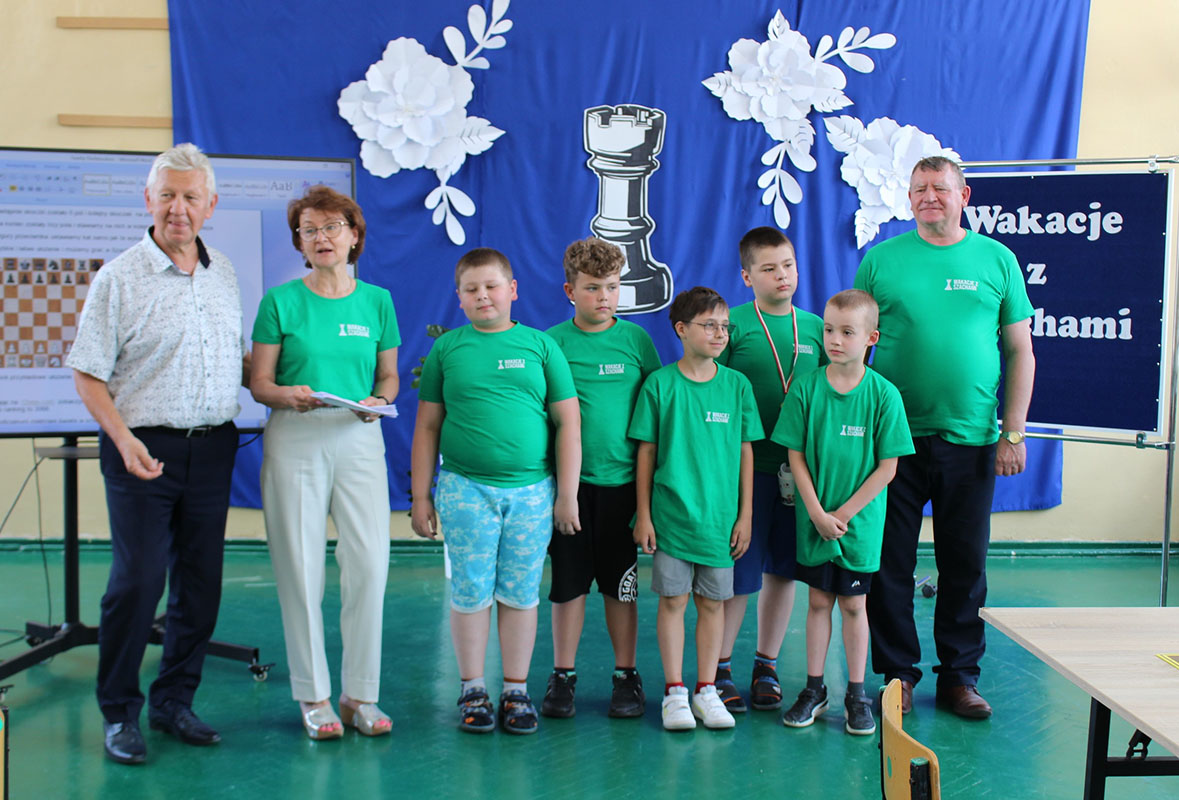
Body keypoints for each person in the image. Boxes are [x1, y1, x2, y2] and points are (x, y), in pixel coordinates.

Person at [67, 143, 247, 765]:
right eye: (167, 195)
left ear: (210, 205)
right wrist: (123, 439)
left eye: (190, 197)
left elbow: (231, 356)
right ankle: (120, 711)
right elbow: (88, 372)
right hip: (141, 447)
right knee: (137, 583)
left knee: (200, 585)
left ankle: (174, 702)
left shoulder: (223, 271)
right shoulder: (118, 278)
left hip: (213, 447)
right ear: (148, 199)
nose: (178, 208)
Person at [855, 156, 1036, 719]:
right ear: (908, 198)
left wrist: (1013, 431)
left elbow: (1020, 351)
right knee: (889, 563)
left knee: (965, 564)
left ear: (964, 195)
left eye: (939, 187)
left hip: (973, 438)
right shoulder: (880, 261)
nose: (928, 196)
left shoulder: (997, 260)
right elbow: (855, 349)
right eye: (918, 189)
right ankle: (897, 677)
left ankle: (959, 677)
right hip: (893, 441)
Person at [249, 186, 400, 740]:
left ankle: (360, 694)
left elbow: (388, 377)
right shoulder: (280, 302)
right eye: (309, 230)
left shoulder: (377, 301)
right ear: (300, 242)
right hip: (297, 435)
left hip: (358, 436)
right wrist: (286, 395)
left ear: (354, 235)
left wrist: (378, 401)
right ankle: (313, 696)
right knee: (301, 568)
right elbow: (260, 383)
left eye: (332, 227)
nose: (321, 238)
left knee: (370, 566)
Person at [410, 247, 581, 735]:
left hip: (532, 493)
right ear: (459, 298)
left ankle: (515, 690)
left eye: (492, 286)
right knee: (470, 590)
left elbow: (568, 423)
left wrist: (566, 494)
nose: (483, 295)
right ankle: (472, 689)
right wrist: (421, 496)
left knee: (521, 594)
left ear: (513, 290)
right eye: (472, 289)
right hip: (465, 491)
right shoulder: (448, 350)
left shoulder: (541, 347)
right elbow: (427, 427)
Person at [773, 290, 913, 736]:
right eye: (829, 330)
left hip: (859, 526)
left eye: (847, 332)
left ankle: (856, 694)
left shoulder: (884, 395)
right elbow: (795, 456)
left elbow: (888, 468)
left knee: (854, 605)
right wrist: (816, 512)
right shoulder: (806, 388)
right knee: (818, 602)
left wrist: (845, 514)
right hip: (814, 522)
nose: (835, 340)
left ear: (871, 338)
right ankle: (814, 689)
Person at [629, 286, 762, 732]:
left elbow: (746, 452)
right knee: (673, 602)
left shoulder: (737, 386)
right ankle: (675, 693)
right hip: (671, 519)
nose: (720, 334)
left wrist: (745, 515)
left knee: (713, 604)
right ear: (681, 329)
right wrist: (644, 514)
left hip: (720, 524)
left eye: (725, 326)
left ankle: (707, 690)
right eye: (709, 325)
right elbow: (646, 453)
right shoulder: (660, 385)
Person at [540, 237, 661, 719]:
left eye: (612, 286)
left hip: (624, 490)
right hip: (569, 490)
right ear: (570, 291)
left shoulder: (636, 341)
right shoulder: (551, 343)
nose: (604, 297)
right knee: (568, 586)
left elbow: (656, 411)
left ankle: (626, 675)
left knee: (620, 587)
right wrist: (562, 491)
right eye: (592, 288)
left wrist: (649, 499)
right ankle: (562, 675)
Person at [715, 227, 824, 713]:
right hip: (745, 473)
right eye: (768, 268)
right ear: (747, 277)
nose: (782, 275)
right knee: (739, 573)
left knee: (783, 570)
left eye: (788, 265)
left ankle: (766, 664)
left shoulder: (818, 328)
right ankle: (718, 668)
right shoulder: (731, 326)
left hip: (799, 474)